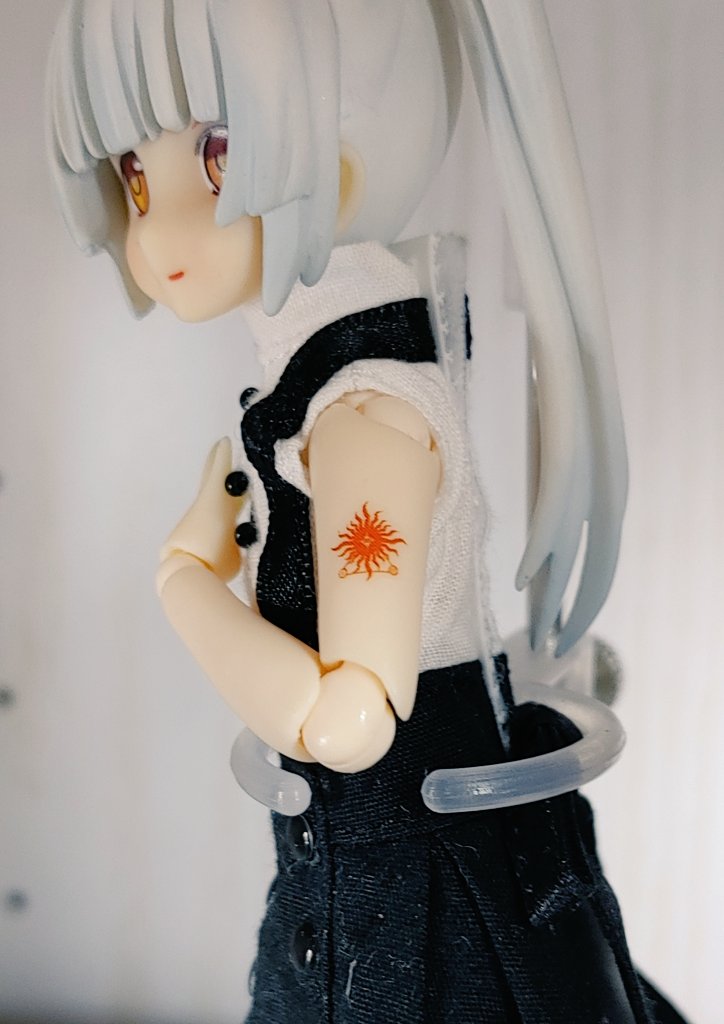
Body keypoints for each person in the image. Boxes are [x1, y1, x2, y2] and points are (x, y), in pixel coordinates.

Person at [47, 1, 687, 1020]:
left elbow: (348, 718)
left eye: (218, 154)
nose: (158, 231)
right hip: (367, 884)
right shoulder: (322, 393)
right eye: (134, 176)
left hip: (414, 908)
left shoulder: (361, 417)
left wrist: (185, 585)